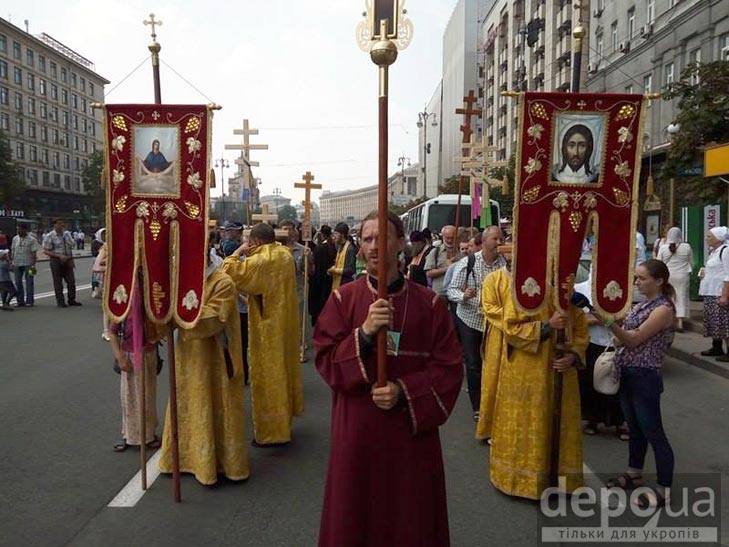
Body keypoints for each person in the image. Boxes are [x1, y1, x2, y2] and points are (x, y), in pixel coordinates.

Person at [314, 209, 463, 547]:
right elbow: (324, 358)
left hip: (410, 437)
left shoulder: (429, 304)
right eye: (367, 239)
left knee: (410, 517)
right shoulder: (343, 299)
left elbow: (449, 369)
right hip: (358, 430)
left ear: (400, 242)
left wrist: (403, 389)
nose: (374, 246)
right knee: (355, 515)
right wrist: (364, 333)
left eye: (382, 237)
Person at [486, 243, 589, 499]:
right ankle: (522, 480)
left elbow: (580, 331)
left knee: (560, 425)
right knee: (527, 425)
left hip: (561, 373)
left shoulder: (569, 295)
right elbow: (510, 329)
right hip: (526, 373)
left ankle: (561, 481)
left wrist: (573, 355)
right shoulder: (523, 290)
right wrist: (546, 326)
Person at [159, 250, 250, 485]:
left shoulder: (223, 282)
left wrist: (176, 314)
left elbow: (214, 318)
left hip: (216, 360)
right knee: (188, 403)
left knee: (217, 407)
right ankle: (184, 458)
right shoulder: (183, 282)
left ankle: (218, 464)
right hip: (187, 358)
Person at [594, 259, 676, 508]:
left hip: (645, 376)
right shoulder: (642, 305)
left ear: (659, 280)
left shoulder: (663, 309)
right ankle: (634, 472)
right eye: (636, 277)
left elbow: (632, 340)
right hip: (628, 373)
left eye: (642, 278)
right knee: (635, 429)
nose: (636, 282)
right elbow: (624, 338)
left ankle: (664, 489)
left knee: (654, 433)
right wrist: (617, 329)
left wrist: (607, 321)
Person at [222, 222, 303, 445]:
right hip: (285, 323)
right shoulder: (285, 255)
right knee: (284, 371)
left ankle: (271, 432)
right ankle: (284, 422)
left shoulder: (261, 260)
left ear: (255, 241)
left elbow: (227, 274)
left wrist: (237, 253)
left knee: (268, 377)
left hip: (267, 328)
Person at [447, 226, 506, 421]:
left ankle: (493, 402)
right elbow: (451, 290)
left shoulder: (505, 263)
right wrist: (463, 296)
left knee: (494, 363)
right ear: (484, 241)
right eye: (495, 239)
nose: (499, 243)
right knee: (473, 364)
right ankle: (477, 407)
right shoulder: (468, 262)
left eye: (501, 239)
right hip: (471, 320)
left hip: (495, 322)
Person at [574, 266, 627, 440]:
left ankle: (620, 422)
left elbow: (624, 316)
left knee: (616, 381)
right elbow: (575, 319)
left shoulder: (619, 290)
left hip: (614, 342)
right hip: (591, 342)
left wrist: (607, 320)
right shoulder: (579, 290)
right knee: (589, 382)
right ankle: (592, 420)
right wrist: (598, 320)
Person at [107, 298, 165, 452]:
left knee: (148, 396)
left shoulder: (152, 300)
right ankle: (128, 434)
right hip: (130, 355)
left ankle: (149, 434)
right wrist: (120, 357)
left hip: (149, 353)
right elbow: (112, 332)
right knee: (129, 397)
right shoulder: (124, 301)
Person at [698, 226, 729, 361]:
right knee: (714, 323)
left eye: (709, 236)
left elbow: (728, 274)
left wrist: (725, 295)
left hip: (718, 292)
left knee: (723, 324)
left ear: (718, 238)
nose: (707, 239)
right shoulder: (713, 252)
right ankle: (716, 346)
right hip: (710, 291)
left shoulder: (726, 251)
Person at [656, 227, 692, 332]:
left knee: (668, 297)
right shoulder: (686, 246)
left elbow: (659, 263)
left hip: (668, 275)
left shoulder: (663, 248)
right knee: (681, 297)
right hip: (683, 275)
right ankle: (680, 322)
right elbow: (691, 261)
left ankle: (669, 320)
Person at [43, 219, 81, 307]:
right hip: (56, 260)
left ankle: (72, 299)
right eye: (59, 224)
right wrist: (58, 255)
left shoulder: (66, 234)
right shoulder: (50, 236)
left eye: (62, 224)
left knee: (71, 281)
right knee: (58, 282)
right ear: (54, 225)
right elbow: (46, 250)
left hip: (67, 259)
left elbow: (72, 244)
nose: (61, 226)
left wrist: (71, 260)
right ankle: (60, 301)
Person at [309, 225, 337, 326]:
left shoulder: (318, 249)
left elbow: (314, 263)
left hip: (318, 279)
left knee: (319, 303)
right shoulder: (334, 247)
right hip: (330, 278)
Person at [10, 222, 39, 307]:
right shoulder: (15, 238)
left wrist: (33, 265)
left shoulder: (32, 239)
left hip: (29, 264)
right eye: (17, 229)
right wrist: (12, 262)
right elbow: (13, 250)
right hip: (17, 263)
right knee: (18, 282)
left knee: (29, 282)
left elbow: (34, 253)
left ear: (25, 230)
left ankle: (29, 301)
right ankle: (20, 301)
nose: (18, 231)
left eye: (20, 229)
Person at [425, 224, 457, 300]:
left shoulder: (461, 251)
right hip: (440, 293)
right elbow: (429, 273)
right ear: (442, 237)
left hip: (456, 293)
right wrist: (447, 269)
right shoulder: (435, 252)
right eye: (447, 238)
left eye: (452, 238)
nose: (450, 241)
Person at [91, 230, 111, 340]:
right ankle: (106, 331)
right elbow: (96, 267)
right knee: (108, 306)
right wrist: (112, 267)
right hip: (110, 281)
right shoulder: (106, 247)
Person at [328, 222, 357, 290]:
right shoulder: (339, 246)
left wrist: (335, 270)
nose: (334, 236)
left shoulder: (350, 249)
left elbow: (351, 270)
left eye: (336, 234)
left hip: (345, 285)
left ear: (343, 235)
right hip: (337, 283)